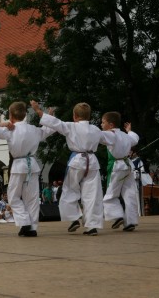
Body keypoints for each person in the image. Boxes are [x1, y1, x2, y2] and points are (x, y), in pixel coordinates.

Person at [0, 101, 54, 237]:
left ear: (10, 115)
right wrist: (49, 118)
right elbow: (48, 130)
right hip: (32, 164)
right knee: (32, 198)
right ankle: (31, 227)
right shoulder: (33, 129)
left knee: (14, 197)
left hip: (19, 165)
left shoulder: (11, 129)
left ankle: (25, 222)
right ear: (25, 114)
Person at [31, 100, 104, 236]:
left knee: (70, 190)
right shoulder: (95, 129)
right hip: (93, 162)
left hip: (77, 162)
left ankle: (74, 218)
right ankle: (91, 226)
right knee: (92, 194)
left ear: (75, 116)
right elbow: (107, 138)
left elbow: (56, 123)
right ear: (89, 116)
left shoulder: (71, 126)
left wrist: (38, 110)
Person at [100, 112, 140, 231]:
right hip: (127, 166)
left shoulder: (110, 134)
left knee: (111, 194)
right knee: (129, 193)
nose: (101, 125)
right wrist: (129, 130)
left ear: (111, 125)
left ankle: (117, 216)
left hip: (117, 166)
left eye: (103, 122)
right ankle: (131, 221)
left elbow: (95, 136)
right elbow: (135, 139)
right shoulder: (125, 136)